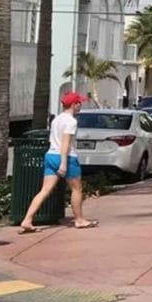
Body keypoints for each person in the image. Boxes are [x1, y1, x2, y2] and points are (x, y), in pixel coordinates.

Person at [19, 91, 97, 233]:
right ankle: (79, 219)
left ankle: (27, 219)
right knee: (76, 189)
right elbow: (65, 143)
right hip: (66, 157)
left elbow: (54, 140)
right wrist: (63, 163)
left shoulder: (56, 120)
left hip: (50, 155)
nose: (80, 105)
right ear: (74, 105)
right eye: (79, 103)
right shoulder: (71, 121)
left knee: (44, 190)